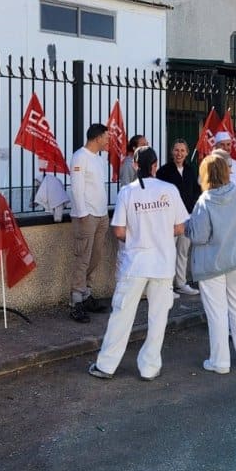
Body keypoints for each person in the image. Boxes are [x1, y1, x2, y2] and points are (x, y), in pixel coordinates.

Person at [89, 146, 188, 381]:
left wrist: (138, 237)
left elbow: (119, 230)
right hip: (163, 264)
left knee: (121, 315)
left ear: (135, 165)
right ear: (155, 165)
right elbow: (180, 227)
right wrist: (160, 235)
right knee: (158, 317)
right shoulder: (170, 190)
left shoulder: (127, 193)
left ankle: (106, 366)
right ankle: (150, 367)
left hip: (135, 264)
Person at [186, 153, 236, 373]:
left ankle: (220, 361)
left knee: (217, 313)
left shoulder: (204, 201)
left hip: (211, 265)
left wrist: (186, 224)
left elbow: (199, 236)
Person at [69, 122, 111, 322]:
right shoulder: (80, 157)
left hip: (101, 215)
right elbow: (76, 188)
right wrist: (83, 213)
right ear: (97, 138)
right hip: (86, 217)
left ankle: (87, 294)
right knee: (83, 258)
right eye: (106, 137)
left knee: (96, 256)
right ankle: (76, 301)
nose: (108, 140)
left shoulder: (98, 159)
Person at [157, 139, 201, 296]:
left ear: (187, 153)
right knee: (168, 252)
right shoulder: (163, 171)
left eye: (182, 150)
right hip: (170, 219)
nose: (179, 153)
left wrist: (194, 204)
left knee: (183, 251)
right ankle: (167, 287)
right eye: (176, 150)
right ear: (171, 152)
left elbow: (196, 190)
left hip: (187, 217)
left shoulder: (190, 170)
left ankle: (180, 283)